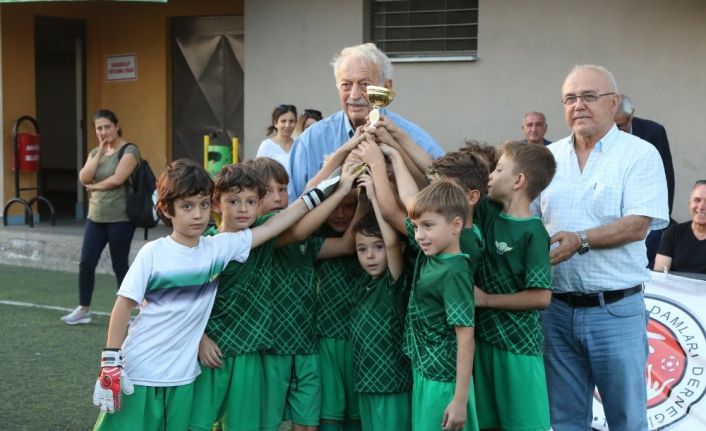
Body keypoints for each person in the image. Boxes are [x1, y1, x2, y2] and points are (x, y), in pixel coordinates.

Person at [91, 159, 336, 430]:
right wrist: (111, 363)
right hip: (139, 370)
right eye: (187, 206)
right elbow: (123, 306)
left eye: (203, 205)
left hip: (183, 375)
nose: (197, 215)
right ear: (166, 209)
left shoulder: (218, 248)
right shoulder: (153, 253)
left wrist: (335, 184)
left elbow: (277, 224)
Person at [533, 65, 669, 430]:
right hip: (556, 310)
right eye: (570, 98)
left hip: (615, 312)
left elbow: (639, 225)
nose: (579, 105)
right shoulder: (548, 160)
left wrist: (581, 240)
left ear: (613, 104)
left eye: (589, 96)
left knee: (626, 420)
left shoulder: (640, 155)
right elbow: (527, 222)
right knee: (564, 422)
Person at [249, 157, 363, 431]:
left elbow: (347, 244)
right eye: (267, 192)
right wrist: (339, 190)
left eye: (283, 189)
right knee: (271, 425)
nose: (277, 198)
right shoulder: (257, 235)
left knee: (308, 425)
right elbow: (301, 220)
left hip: (307, 347)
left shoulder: (307, 244)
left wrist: (362, 196)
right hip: (272, 348)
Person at [287, 42, 444, 201]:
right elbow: (292, 206)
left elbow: (446, 195)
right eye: (346, 85)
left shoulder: (416, 139)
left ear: (386, 88)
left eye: (365, 84)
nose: (354, 95)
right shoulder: (309, 142)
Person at [472, 141, 556, 431]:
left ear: (518, 181)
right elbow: (441, 174)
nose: (490, 176)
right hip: (483, 340)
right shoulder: (488, 212)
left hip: (518, 347)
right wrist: (396, 140)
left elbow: (542, 296)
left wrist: (485, 300)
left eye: (498, 170)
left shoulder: (534, 232)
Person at [404, 181, 480, 431]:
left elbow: (466, 337)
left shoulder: (455, 272)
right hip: (426, 372)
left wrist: (460, 401)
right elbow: (408, 202)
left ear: (456, 225)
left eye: (427, 226)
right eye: (416, 227)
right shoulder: (433, 253)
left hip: (444, 382)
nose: (419, 235)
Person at [61, 109, 139, 325]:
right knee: (86, 262)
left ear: (117, 126)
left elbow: (117, 179)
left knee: (120, 265)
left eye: (107, 127)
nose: (104, 131)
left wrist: (93, 186)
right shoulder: (97, 151)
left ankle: (130, 314)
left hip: (121, 218)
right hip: (95, 217)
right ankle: (83, 309)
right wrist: (99, 154)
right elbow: (83, 177)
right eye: (99, 128)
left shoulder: (129, 150)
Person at [349, 174, 412, 431]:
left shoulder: (394, 282)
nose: (370, 256)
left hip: (393, 384)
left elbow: (393, 243)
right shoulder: (360, 286)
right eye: (362, 249)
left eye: (377, 247)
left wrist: (376, 196)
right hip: (365, 383)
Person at [614, 94, 675, 268]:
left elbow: (667, 177)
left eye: (621, 125)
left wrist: (665, 215)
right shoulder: (602, 133)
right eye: (613, 126)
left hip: (647, 212)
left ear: (631, 115)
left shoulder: (653, 132)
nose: (617, 131)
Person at [654, 180, 706, 274]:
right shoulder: (674, 233)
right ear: (689, 204)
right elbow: (660, 277)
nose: (702, 206)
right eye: (697, 200)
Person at [257, 104, 298, 174]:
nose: (287, 125)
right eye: (283, 121)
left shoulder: (299, 144)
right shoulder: (266, 145)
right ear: (275, 123)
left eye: (291, 121)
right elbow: (259, 173)